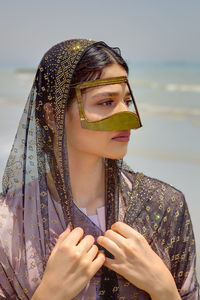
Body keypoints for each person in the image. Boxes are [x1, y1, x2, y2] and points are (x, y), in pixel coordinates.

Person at [0, 39, 199, 300]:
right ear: (52, 116)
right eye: (106, 102)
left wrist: (164, 289)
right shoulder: (8, 223)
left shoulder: (165, 206)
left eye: (126, 101)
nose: (126, 116)